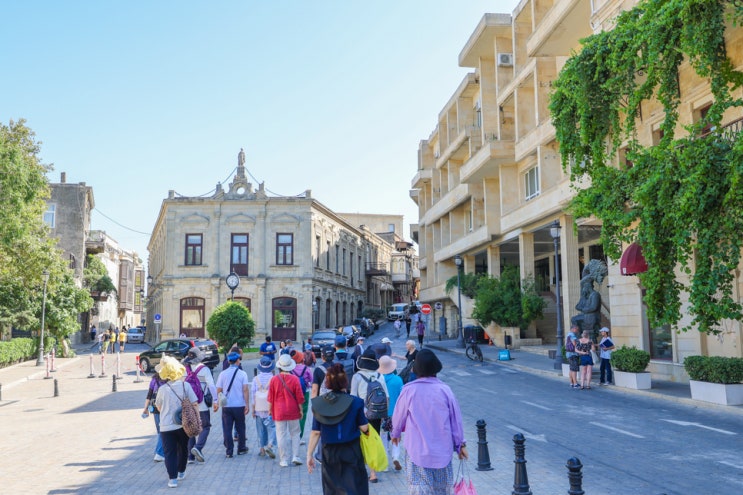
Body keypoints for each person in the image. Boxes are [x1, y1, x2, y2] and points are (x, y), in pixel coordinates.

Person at [391, 349, 468, 494]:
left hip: (417, 452)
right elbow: (456, 421)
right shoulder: (445, 390)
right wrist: (460, 445)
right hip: (442, 453)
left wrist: (395, 434)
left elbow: (398, 417)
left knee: (419, 490)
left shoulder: (408, 390)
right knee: (442, 490)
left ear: (415, 370)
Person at [306, 363, 369, 495]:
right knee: (355, 486)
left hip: (329, 451)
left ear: (327, 382)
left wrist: (309, 455)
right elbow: (364, 428)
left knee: (332, 488)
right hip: (352, 449)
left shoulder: (319, 404)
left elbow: (316, 432)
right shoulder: (356, 402)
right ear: (345, 381)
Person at [154, 356, 199, 488]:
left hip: (166, 426)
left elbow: (159, 407)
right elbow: (195, 403)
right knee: (183, 448)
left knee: (169, 453)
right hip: (183, 424)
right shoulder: (186, 385)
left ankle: (172, 479)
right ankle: (181, 472)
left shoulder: (162, 389)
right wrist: (197, 418)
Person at [350, 348, 389, 483]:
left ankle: (360, 470)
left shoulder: (357, 377)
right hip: (376, 414)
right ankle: (373, 473)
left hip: (361, 413)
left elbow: (353, 397)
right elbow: (386, 397)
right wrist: (384, 415)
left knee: (359, 442)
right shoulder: (380, 376)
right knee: (373, 441)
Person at [268, 353, 305, 467]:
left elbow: (270, 398)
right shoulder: (295, 379)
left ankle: (283, 459)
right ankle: (296, 456)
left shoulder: (274, 379)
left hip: (278, 410)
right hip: (293, 409)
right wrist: (301, 410)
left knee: (281, 435)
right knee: (295, 433)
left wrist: (270, 410)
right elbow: (299, 397)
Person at [184, 348, 217, 464]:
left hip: (188, 404)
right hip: (201, 404)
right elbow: (211, 386)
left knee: (190, 428)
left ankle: (190, 457)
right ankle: (198, 448)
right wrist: (215, 400)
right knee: (205, 426)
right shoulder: (205, 369)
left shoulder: (185, 370)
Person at [214, 351, 250, 457]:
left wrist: (217, 402)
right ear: (238, 360)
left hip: (226, 405)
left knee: (227, 428)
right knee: (241, 428)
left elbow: (218, 389)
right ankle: (241, 448)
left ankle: (229, 451)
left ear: (229, 361)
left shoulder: (222, 374)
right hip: (239, 405)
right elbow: (245, 390)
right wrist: (247, 404)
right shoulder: (243, 374)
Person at [378, 355, 403, 471]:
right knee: (395, 435)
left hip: (382, 413)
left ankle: (385, 464)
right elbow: (402, 397)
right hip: (395, 413)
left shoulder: (377, 380)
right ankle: (396, 456)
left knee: (383, 436)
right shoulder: (398, 380)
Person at [251, 356, 277, 459]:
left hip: (259, 408)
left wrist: (253, 410)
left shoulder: (255, 379)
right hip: (271, 408)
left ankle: (262, 449)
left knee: (260, 429)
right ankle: (270, 445)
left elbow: (253, 395)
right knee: (272, 427)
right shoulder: (274, 379)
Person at [142, 371, 166, 462]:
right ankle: (159, 453)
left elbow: (149, 395)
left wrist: (145, 408)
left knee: (160, 431)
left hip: (155, 408)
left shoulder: (154, 379)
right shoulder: (169, 379)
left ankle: (158, 451)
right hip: (165, 407)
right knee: (163, 430)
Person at [290, 351, 313, 440]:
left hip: (293, 393)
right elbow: (312, 380)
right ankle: (299, 436)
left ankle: (293, 435)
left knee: (293, 414)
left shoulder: (290, 369)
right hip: (305, 392)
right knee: (303, 414)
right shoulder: (306, 368)